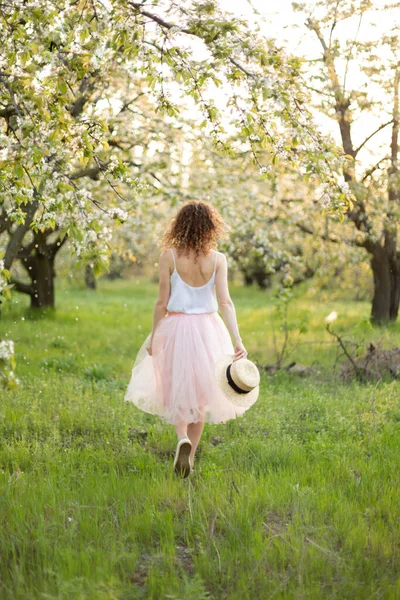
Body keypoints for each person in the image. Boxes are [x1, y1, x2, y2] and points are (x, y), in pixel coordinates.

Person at [125, 200, 258, 477]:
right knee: (201, 397)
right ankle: (191, 459)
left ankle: (181, 438)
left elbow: (161, 303)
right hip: (209, 330)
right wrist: (237, 339)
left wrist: (153, 337)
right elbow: (226, 303)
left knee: (174, 389)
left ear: (180, 226)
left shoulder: (169, 257)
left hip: (175, 328)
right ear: (211, 227)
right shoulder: (218, 260)